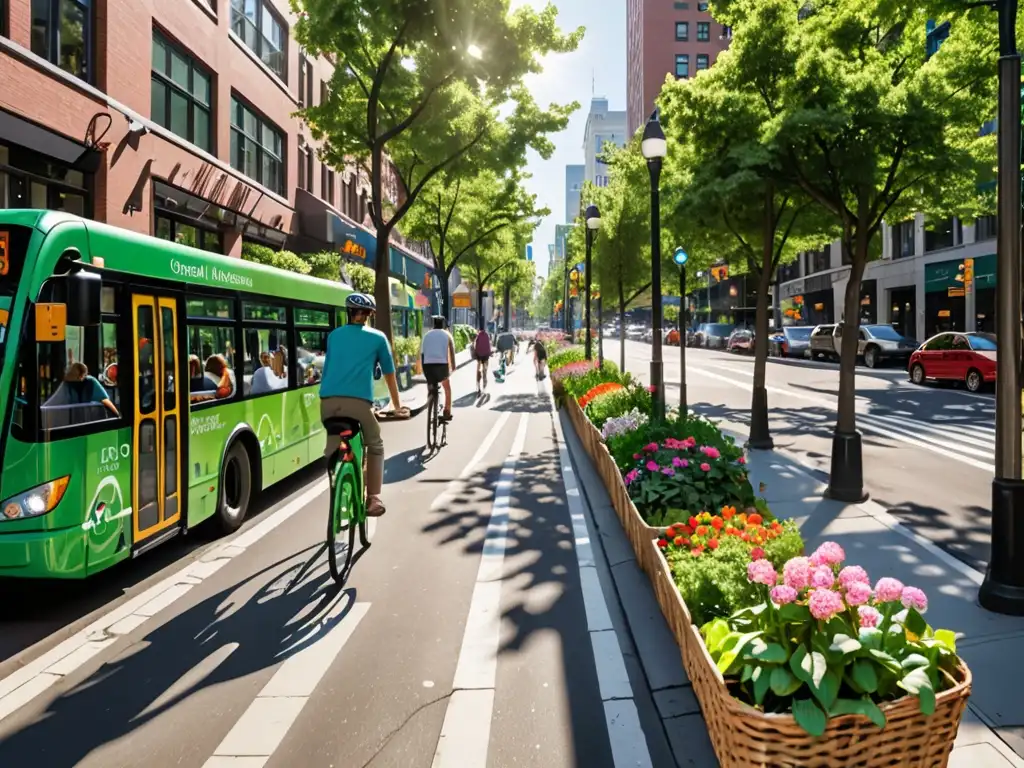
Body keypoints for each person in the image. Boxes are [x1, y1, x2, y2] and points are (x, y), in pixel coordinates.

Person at [320, 293, 408, 517]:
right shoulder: (377, 338)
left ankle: (335, 473)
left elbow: (329, 368)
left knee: (333, 441)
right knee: (375, 444)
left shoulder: (333, 336)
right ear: (369, 315)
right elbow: (389, 374)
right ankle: (373, 498)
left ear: (348, 312)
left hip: (327, 402)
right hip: (359, 404)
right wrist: (397, 406)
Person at [420, 315, 456, 422]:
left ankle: (430, 397)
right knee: (446, 386)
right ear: (443, 325)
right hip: (442, 367)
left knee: (430, 383)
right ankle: (447, 411)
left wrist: (424, 370)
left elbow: (422, 354)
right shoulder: (447, 335)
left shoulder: (426, 335)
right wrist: (453, 368)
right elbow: (452, 353)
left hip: (428, 367)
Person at [472, 327, 492, 394]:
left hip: (479, 356)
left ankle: (478, 385)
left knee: (478, 370)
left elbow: (474, 345)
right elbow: (489, 345)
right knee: (485, 371)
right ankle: (485, 386)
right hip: (486, 356)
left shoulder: (477, 335)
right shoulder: (487, 335)